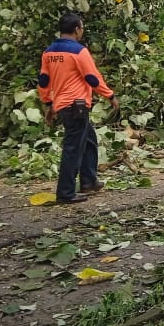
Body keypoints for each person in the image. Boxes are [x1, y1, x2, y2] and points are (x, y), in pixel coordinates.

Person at [38, 13, 119, 204]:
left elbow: (43, 80)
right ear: (76, 29)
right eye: (82, 28)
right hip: (77, 106)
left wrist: (49, 104)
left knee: (89, 139)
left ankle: (89, 181)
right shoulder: (79, 51)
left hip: (63, 106)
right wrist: (110, 95)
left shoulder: (49, 52)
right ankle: (65, 192)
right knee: (72, 148)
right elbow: (92, 78)